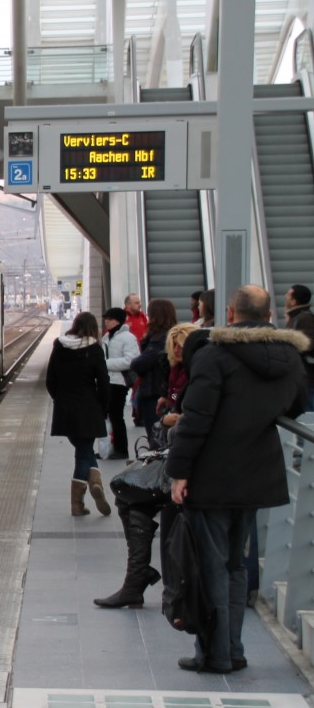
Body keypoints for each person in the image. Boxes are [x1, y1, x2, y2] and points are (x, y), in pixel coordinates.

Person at [167, 285, 308, 674]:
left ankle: (214, 654)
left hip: (211, 477)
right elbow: (295, 404)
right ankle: (234, 649)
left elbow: (196, 420)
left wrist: (178, 471)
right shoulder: (289, 357)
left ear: (230, 314)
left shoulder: (214, 356)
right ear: (269, 316)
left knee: (209, 564)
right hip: (257, 476)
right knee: (235, 565)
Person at [95, 322, 203, 610]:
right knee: (127, 494)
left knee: (131, 496)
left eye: (184, 346)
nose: (178, 351)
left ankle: (137, 581)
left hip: (186, 464)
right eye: (175, 345)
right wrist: (168, 403)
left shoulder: (198, 374)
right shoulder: (178, 372)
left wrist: (173, 418)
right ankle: (137, 579)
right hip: (171, 453)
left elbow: (196, 418)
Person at [46, 312, 112, 517]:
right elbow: (103, 381)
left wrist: (61, 399)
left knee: (83, 450)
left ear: (74, 325)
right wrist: (103, 407)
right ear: (93, 328)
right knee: (84, 454)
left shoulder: (59, 346)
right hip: (88, 408)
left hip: (65, 409)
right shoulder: (94, 349)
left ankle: (94, 483)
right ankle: (78, 503)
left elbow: (50, 380)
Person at [130, 299, 177, 450]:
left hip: (155, 393)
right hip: (165, 392)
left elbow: (140, 363)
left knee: (157, 437)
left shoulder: (159, 339)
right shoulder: (171, 335)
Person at [101, 307, 137, 460]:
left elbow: (131, 360)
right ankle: (108, 449)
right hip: (108, 381)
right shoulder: (107, 337)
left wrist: (105, 364)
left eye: (109, 318)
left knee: (116, 415)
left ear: (117, 320)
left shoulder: (128, 338)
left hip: (120, 382)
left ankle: (122, 450)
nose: (106, 321)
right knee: (108, 415)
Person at [284, 284, 314, 411]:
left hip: (308, 379)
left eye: (288, 294)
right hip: (303, 378)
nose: (285, 296)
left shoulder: (304, 318)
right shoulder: (296, 317)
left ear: (294, 301)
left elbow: (309, 343)